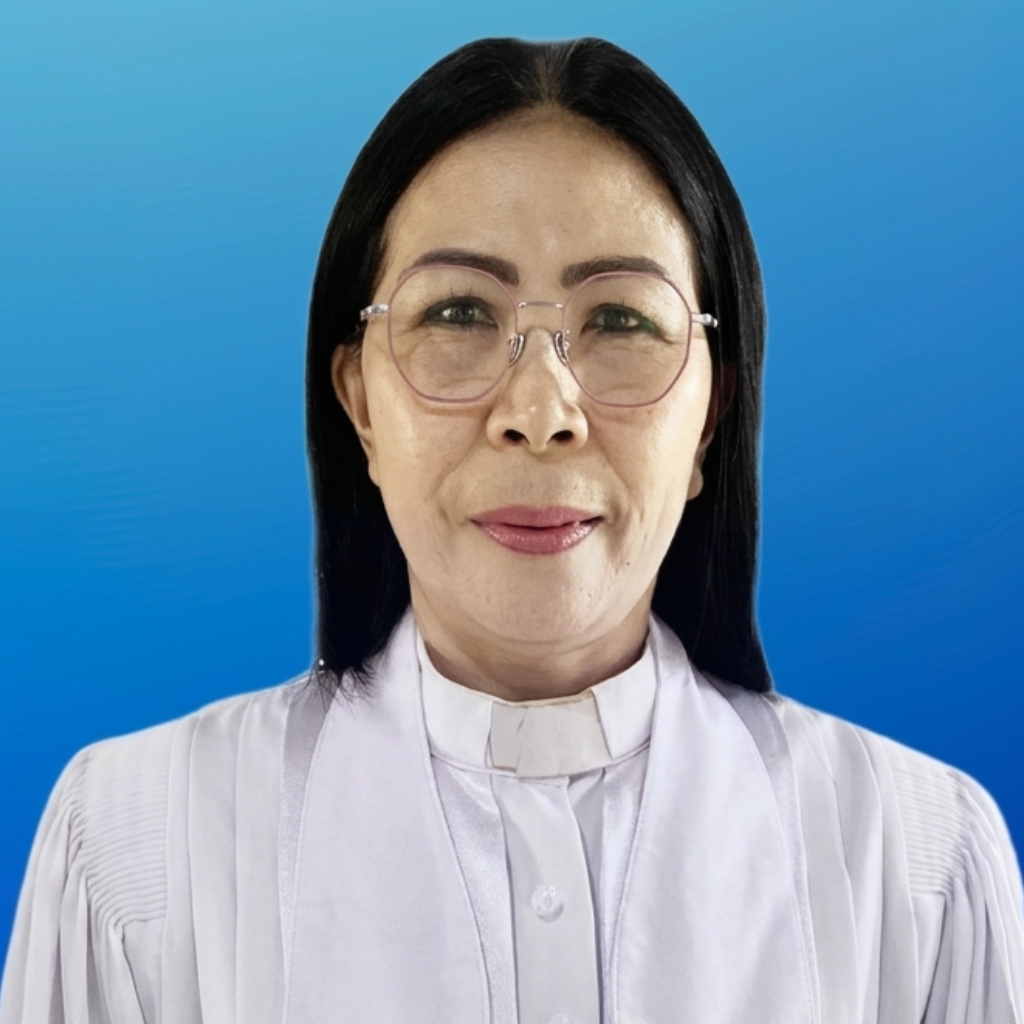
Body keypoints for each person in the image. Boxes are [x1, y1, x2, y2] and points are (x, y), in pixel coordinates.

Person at [2, 36, 1022, 1024]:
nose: (540, 410)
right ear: (359, 405)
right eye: (458, 314)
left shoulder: (918, 872)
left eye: (620, 320)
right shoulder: (136, 854)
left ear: (711, 415)